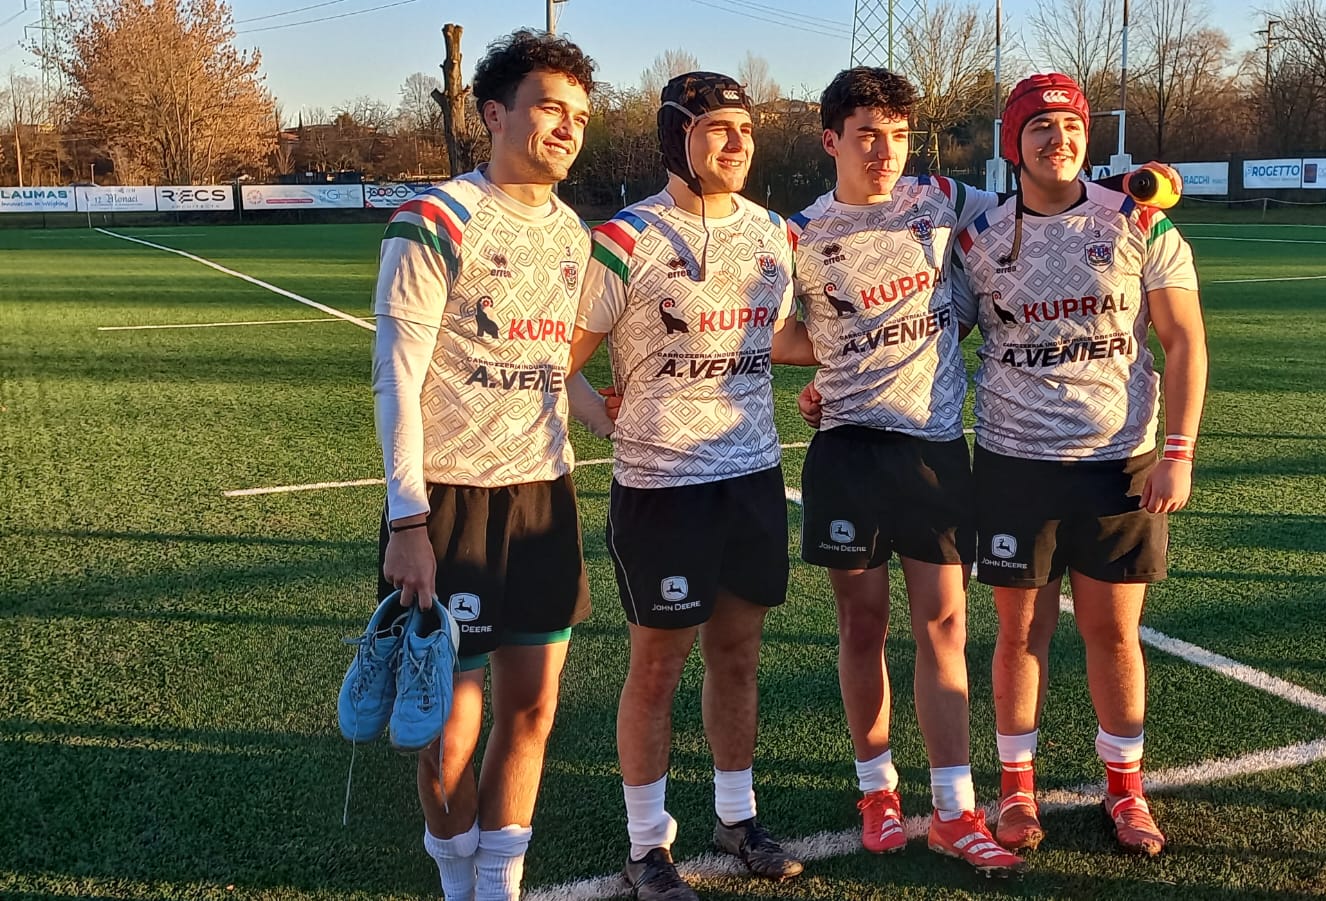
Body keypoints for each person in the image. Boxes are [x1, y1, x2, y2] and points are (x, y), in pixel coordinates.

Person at [371, 30, 614, 901]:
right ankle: (456, 886)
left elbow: (553, 364)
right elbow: (395, 378)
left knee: (534, 709)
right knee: (447, 729)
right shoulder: (435, 220)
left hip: (543, 496)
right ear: (493, 115)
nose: (567, 126)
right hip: (448, 504)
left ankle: (499, 886)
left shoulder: (574, 234)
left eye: (578, 114)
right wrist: (408, 521)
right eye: (549, 107)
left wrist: (608, 414)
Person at [570, 71, 816, 901]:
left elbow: (779, 336)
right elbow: (563, 360)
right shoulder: (624, 237)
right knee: (657, 667)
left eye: (746, 130)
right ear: (678, 137)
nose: (737, 143)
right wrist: (603, 421)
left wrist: (853, 354)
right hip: (662, 487)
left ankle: (736, 818)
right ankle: (647, 845)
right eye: (718, 129)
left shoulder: (774, 232)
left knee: (738, 656)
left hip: (752, 478)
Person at [952, 73, 1208, 857]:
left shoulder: (1140, 222)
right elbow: (936, 336)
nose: (1056, 138)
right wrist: (835, 387)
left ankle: (1126, 789)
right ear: (1014, 143)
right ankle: (1016, 789)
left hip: (1117, 464)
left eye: (1069, 125)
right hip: (1013, 462)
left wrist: (1178, 452)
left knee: (1114, 632)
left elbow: (1185, 341)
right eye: (1039, 126)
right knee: (1018, 633)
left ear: (1086, 137)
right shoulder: (980, 237)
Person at [786, 66, 1025, 876]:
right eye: (866, 135)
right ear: (831, 140)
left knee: (944, 626)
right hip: (848, 451)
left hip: (933, 448)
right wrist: (827, 369)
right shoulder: (800, 232)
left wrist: (1135, 192)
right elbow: (772, 329)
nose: (884, 151)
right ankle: (877, 789)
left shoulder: (942, 198)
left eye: (896, 135)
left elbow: (1033, 205)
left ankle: (955, 810)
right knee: (862, 627)